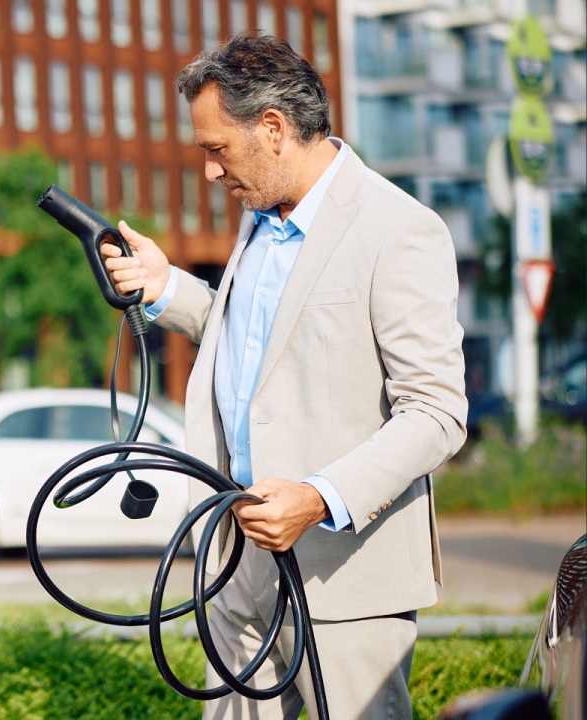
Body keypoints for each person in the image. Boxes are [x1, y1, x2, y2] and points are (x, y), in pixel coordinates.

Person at [100, 33, 467, 719]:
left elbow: (436, 411)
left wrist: (318, 497)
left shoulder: (399, 229)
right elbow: (263, 348)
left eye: (217, 149)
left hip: (344, 578)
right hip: (239, 562)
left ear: (273, 129)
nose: (210, 172)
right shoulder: (258, 217)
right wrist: (165, 286)